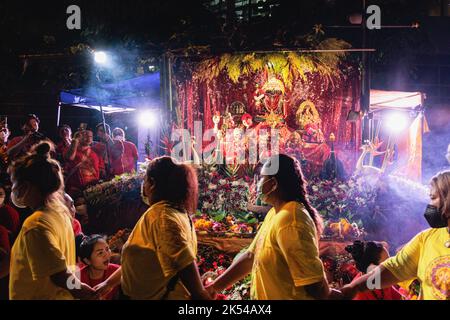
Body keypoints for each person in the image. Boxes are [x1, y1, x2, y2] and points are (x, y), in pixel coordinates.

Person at [208, 154, 339, 300]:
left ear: (274, 184)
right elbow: (250, 257)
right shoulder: (275, 213)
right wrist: (214, 287)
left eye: (262, 178)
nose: (257, 184)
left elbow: (314, 283)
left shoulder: (291, 220)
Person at [341, 170, 450, 300]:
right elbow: (394, 270)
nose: (430, 205)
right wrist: (357, 287)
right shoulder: (426, 239)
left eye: (433, 198)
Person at [8, 141, 96, 300]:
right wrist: (77, 289)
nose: (15, 191)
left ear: (27, 186)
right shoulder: (61, 214)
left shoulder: (35, 224)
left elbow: (59, 274)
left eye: (16, 184)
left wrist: (82, 290)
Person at [118, 156, 211, 300]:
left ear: (153, 183)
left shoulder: (162, 216)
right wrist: (108, 283)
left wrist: (201, 295)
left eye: (145, 180)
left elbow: (183, 260)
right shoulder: (174, 212)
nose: (143, 186)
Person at [77, 234, 120, 300]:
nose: (107, 254)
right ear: (87, 261)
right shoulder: (77, 278)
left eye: (107, 249)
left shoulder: (117, 271)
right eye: (100, 253)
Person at [64, 129, 103, 197]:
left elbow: (101, 170)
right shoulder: (71, 148)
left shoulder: (96, 151)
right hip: (75, 190)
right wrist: (75, 141)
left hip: (92, 190)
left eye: (90, 136)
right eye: (85, 135)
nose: (88, 138)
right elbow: (69, 158)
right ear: (79, 136)